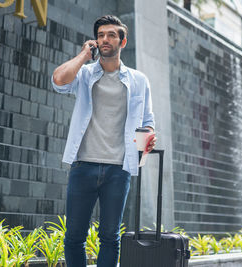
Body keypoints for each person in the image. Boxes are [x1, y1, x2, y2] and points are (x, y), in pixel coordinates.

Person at [51, 15, 156, 267]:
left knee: (110, 237)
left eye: (111, 34)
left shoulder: (138, 80)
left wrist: (147, 141)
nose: (104, 39)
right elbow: (58, 81)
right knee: (74, 236)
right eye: (100, 35)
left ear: (123, 41)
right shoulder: (85, 74)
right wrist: (83, 56)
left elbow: (148, 120)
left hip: (118, 169)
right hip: (83, 166)